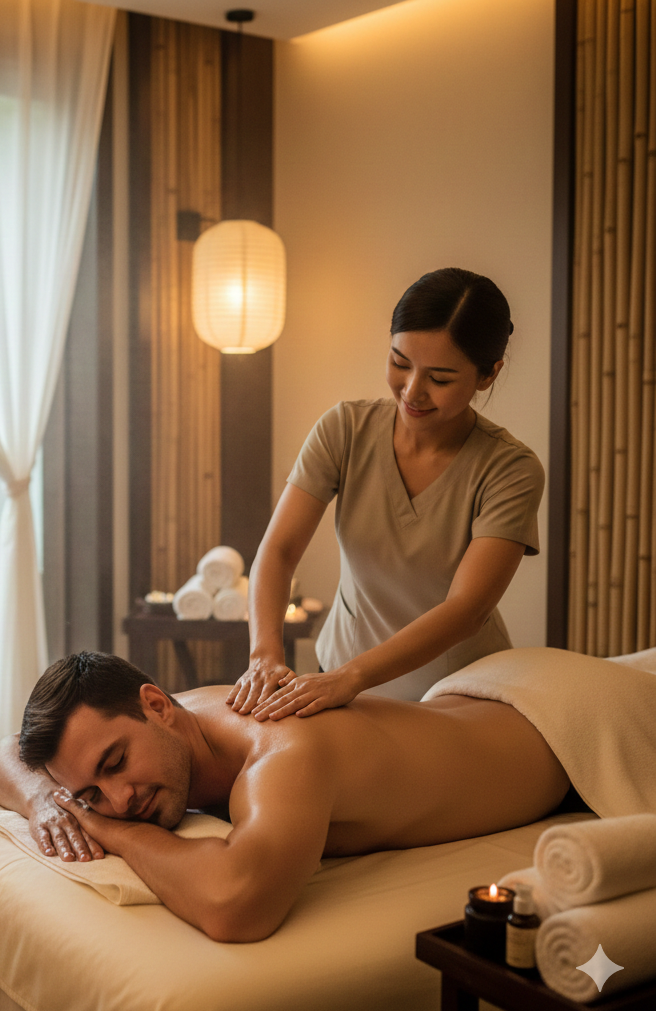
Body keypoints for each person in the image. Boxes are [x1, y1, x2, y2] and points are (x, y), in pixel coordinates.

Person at [0, 651, 570, 943]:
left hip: (556, 725)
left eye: (115, 764)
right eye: (90, 794)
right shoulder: (173, 725)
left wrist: (115, 831)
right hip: (476, 699)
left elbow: (235, 904)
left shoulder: (282, 750)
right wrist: (44, 801)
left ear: (156, 705)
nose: (118, 797)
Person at [229, 268, 544, 721]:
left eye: (440, 378)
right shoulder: (345, 429)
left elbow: (467, 610)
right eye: (400, 363)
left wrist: (352, 677)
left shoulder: (510, 469)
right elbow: (279, 550)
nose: (412, 391)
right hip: (337, 678)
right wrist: (264, 655)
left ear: (487, 375)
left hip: (454, 695)